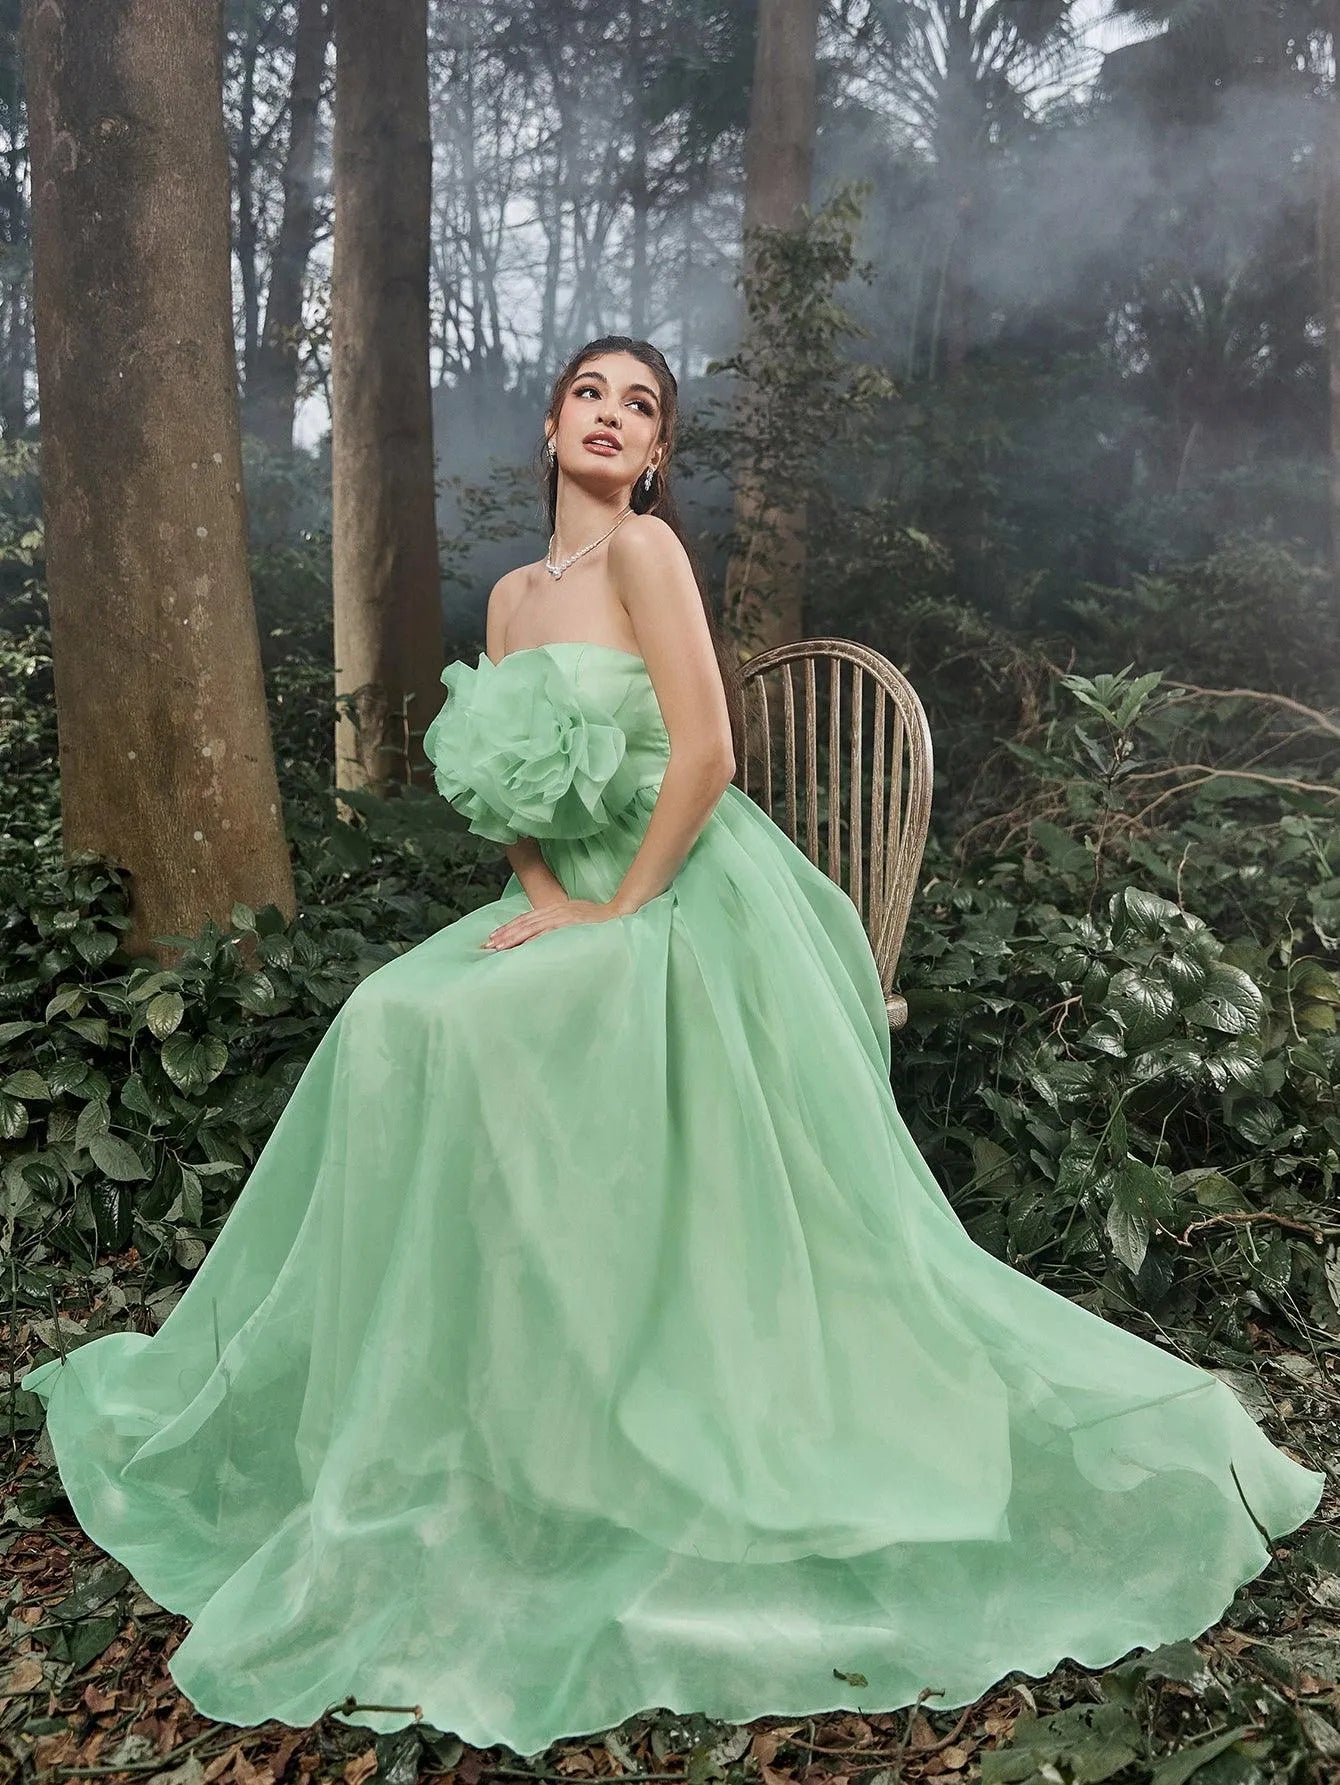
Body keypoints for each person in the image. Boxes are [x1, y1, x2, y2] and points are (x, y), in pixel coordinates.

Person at [22, 336, 1326, 1757]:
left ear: (653, 459)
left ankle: (605, 1400)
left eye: (639, 406)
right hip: (565, 894)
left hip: (683, 886)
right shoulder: (513, 597)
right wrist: (541, 898)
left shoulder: (647, 555)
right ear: (551, 426)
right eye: (591, 392)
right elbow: (503, 794)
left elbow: (705, 754)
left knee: (470, 1021)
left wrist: (616, 913)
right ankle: (456, 1413)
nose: (611, 414)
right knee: (392, 1014)